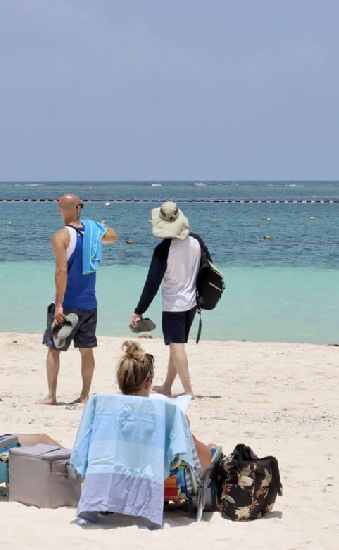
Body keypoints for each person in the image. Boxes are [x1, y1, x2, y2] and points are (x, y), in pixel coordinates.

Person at [40, 194, 118, 405]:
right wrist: (99, 227)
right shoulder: (92, 233)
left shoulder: (60, 237)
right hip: (89, 304)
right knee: (86, 350)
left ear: (59, 210)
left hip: (68, 304)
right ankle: (85, 396)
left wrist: (58, 305)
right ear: (79, 209)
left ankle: (51, 396)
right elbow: (113, 236)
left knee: (54, 349)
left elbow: (61, 272)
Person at [130, 201, 208, 399]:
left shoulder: (163, 250)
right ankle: (167, 386)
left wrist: (139, 310)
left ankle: (189, 391)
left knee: (176, 345)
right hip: (192, 303)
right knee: (177, 345)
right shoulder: (196, 241)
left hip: (173, 305)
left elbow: (152, 284)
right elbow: (207, 269)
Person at [116, 341, 216, 470]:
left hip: (120, 479)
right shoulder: (165, 411)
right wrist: (186, 428)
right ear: (148, 381)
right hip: (162, 483)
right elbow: (204, 461)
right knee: (211, 450)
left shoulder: (107, 412)